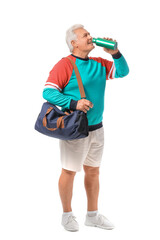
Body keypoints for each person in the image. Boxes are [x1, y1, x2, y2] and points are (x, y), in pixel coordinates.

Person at [43, 24, 129, 231]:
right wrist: (74, 103)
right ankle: (67, 215)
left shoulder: (99, 63)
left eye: (90, 34)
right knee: (70, 172)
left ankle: (92, 215)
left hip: (97, 128)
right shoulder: (65, 65)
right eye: (85, 35)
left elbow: (123, 72)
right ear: (74, 43)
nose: (91, 37)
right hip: (75, 129)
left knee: (93, 172)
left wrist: (115, 52)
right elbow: (48, 92)